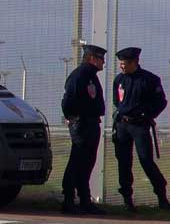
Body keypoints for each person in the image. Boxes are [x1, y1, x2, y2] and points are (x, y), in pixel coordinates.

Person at [112, 47, 170, 212]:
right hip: (122, 125)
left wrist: (148, 115)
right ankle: (127, 199)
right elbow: (117, 102)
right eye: (120, 64)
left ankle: (162, 196)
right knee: (124, 162)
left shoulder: (150, 80)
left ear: (134, 62)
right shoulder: (119, 80)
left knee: (146, 160)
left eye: (124, 64)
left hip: (139, 125)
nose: (122, 67)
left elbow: (161, 101)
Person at [60, 44, 107, 215]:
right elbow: (68, 100)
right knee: (77, 161)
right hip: (82, 123)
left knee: (87, 162)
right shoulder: (80, 75)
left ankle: (85, 200)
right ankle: (68, 199)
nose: (104, 62)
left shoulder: (90, 76)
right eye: (101, 58)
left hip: (91, 123)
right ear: (92, 58)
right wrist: (73, 118)